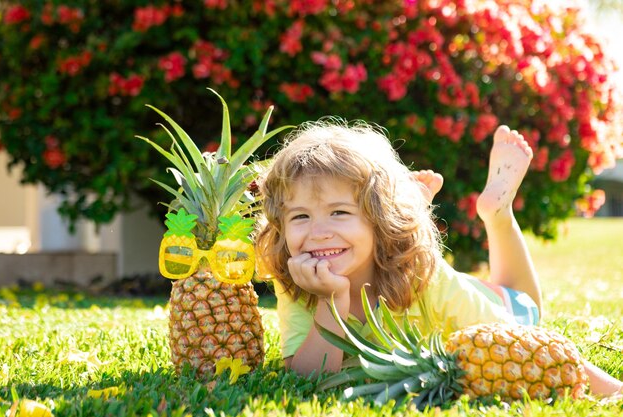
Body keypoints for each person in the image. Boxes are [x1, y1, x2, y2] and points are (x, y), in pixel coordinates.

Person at [255, 118, 623, 397]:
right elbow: (305, 380)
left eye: (339, 213)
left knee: (527, 305)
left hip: (484, 302)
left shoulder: (424, 278)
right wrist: (330, 300)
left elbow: (524, 339)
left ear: (377, 218)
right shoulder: (299, 277)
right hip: (402, 257)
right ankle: (411, 208)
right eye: (300, 216)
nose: (317, 232)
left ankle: (497, 213)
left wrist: (613, 391)